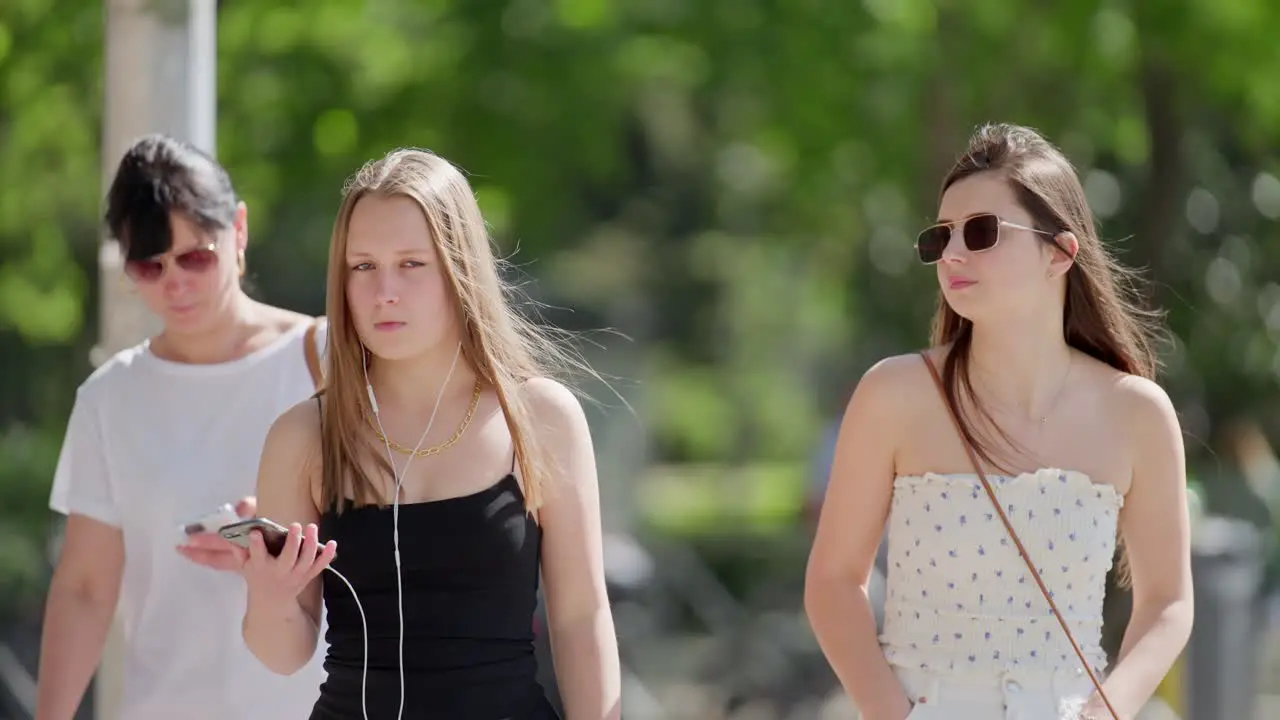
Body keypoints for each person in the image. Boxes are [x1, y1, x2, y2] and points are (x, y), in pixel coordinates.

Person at [804, 123, 1193, 720]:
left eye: (982, 231)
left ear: (1060, 253)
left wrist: (1103, 712)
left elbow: (1167, 602)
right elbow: (833, 583)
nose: (953, 253)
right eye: (942, 236)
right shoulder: (894, 393)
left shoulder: (1137, 412)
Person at [235, 148, 622, 720]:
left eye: (411, 264)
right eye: (362, 266)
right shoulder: (302, 435)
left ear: (458, 267)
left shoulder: (539, 417)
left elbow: (580, 616)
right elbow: (284, 655)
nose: (383, 291)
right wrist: (269, 594)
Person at [35, 135, 328, 719]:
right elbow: (87, 588)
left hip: (318, 705)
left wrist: (277, 537)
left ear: (238, 230)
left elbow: (398, 527)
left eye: (196, 256)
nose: (176, 283)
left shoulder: (325, 359)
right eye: (150, 265)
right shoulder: (109, 397)